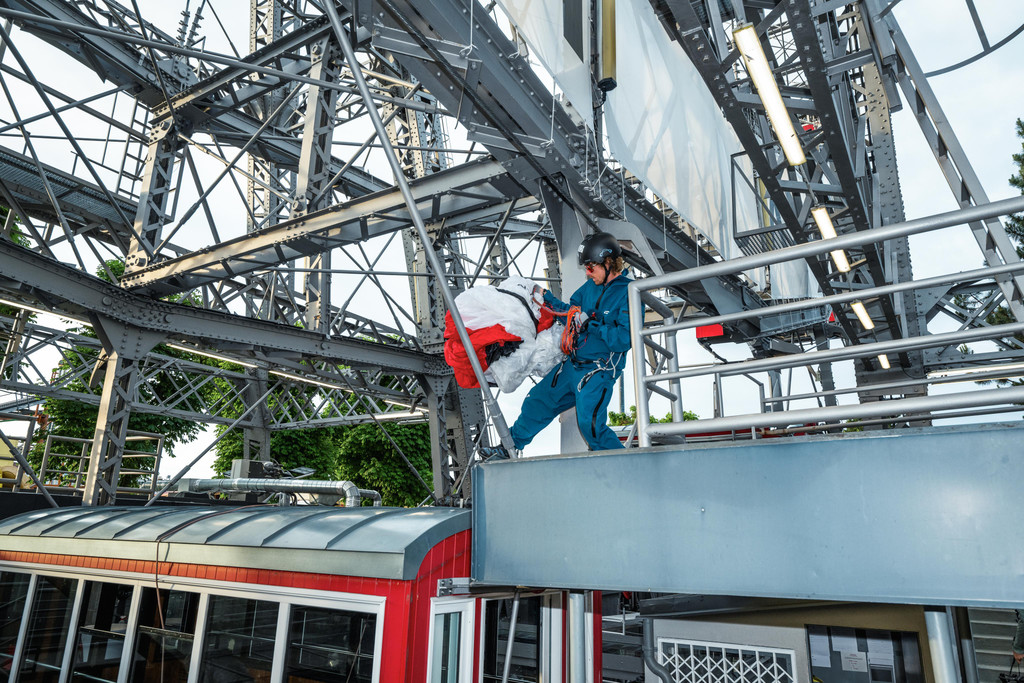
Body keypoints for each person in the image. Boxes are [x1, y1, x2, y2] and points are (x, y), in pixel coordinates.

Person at [484, 232, 632, 457]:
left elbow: (623, 339)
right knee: (537, 401)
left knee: (590, 424)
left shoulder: (628, 292)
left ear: (608, 262)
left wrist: (591, 324)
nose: (587, 273)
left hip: (598, 370)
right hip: (572, 365)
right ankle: (508, 449)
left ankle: (626, 464)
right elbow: (570, 313)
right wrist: (546, 298)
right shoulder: (589, 288)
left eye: (590, 267)